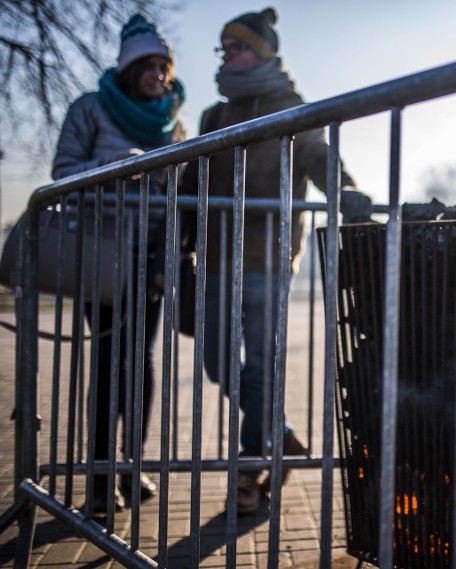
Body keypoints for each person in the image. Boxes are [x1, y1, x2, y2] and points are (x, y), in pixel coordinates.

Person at [180, 7, 371, 515]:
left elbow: (317, 156)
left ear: (263, 52)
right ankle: (280, 433)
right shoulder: (212, 116)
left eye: (238, 47)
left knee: (261, 365)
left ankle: (249, 470)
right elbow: (190, 186)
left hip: (267, 257)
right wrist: (177, 248)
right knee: (220, 362)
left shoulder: (289, 105)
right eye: (224, 49)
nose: (229, 56)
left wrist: (345, 189)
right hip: (216, 257)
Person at [52, 13, 186, 514]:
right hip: (102, 251)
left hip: (153, 254)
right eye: (148, 65)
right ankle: (100, 482)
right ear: (129, 69)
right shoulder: (90, 109)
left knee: (143, 361)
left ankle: (134, 466)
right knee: (111, 362)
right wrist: (115, 166)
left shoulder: (174, 120)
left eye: (163, 64)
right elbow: (61, 172)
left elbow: (179, 188)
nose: (158, 74)